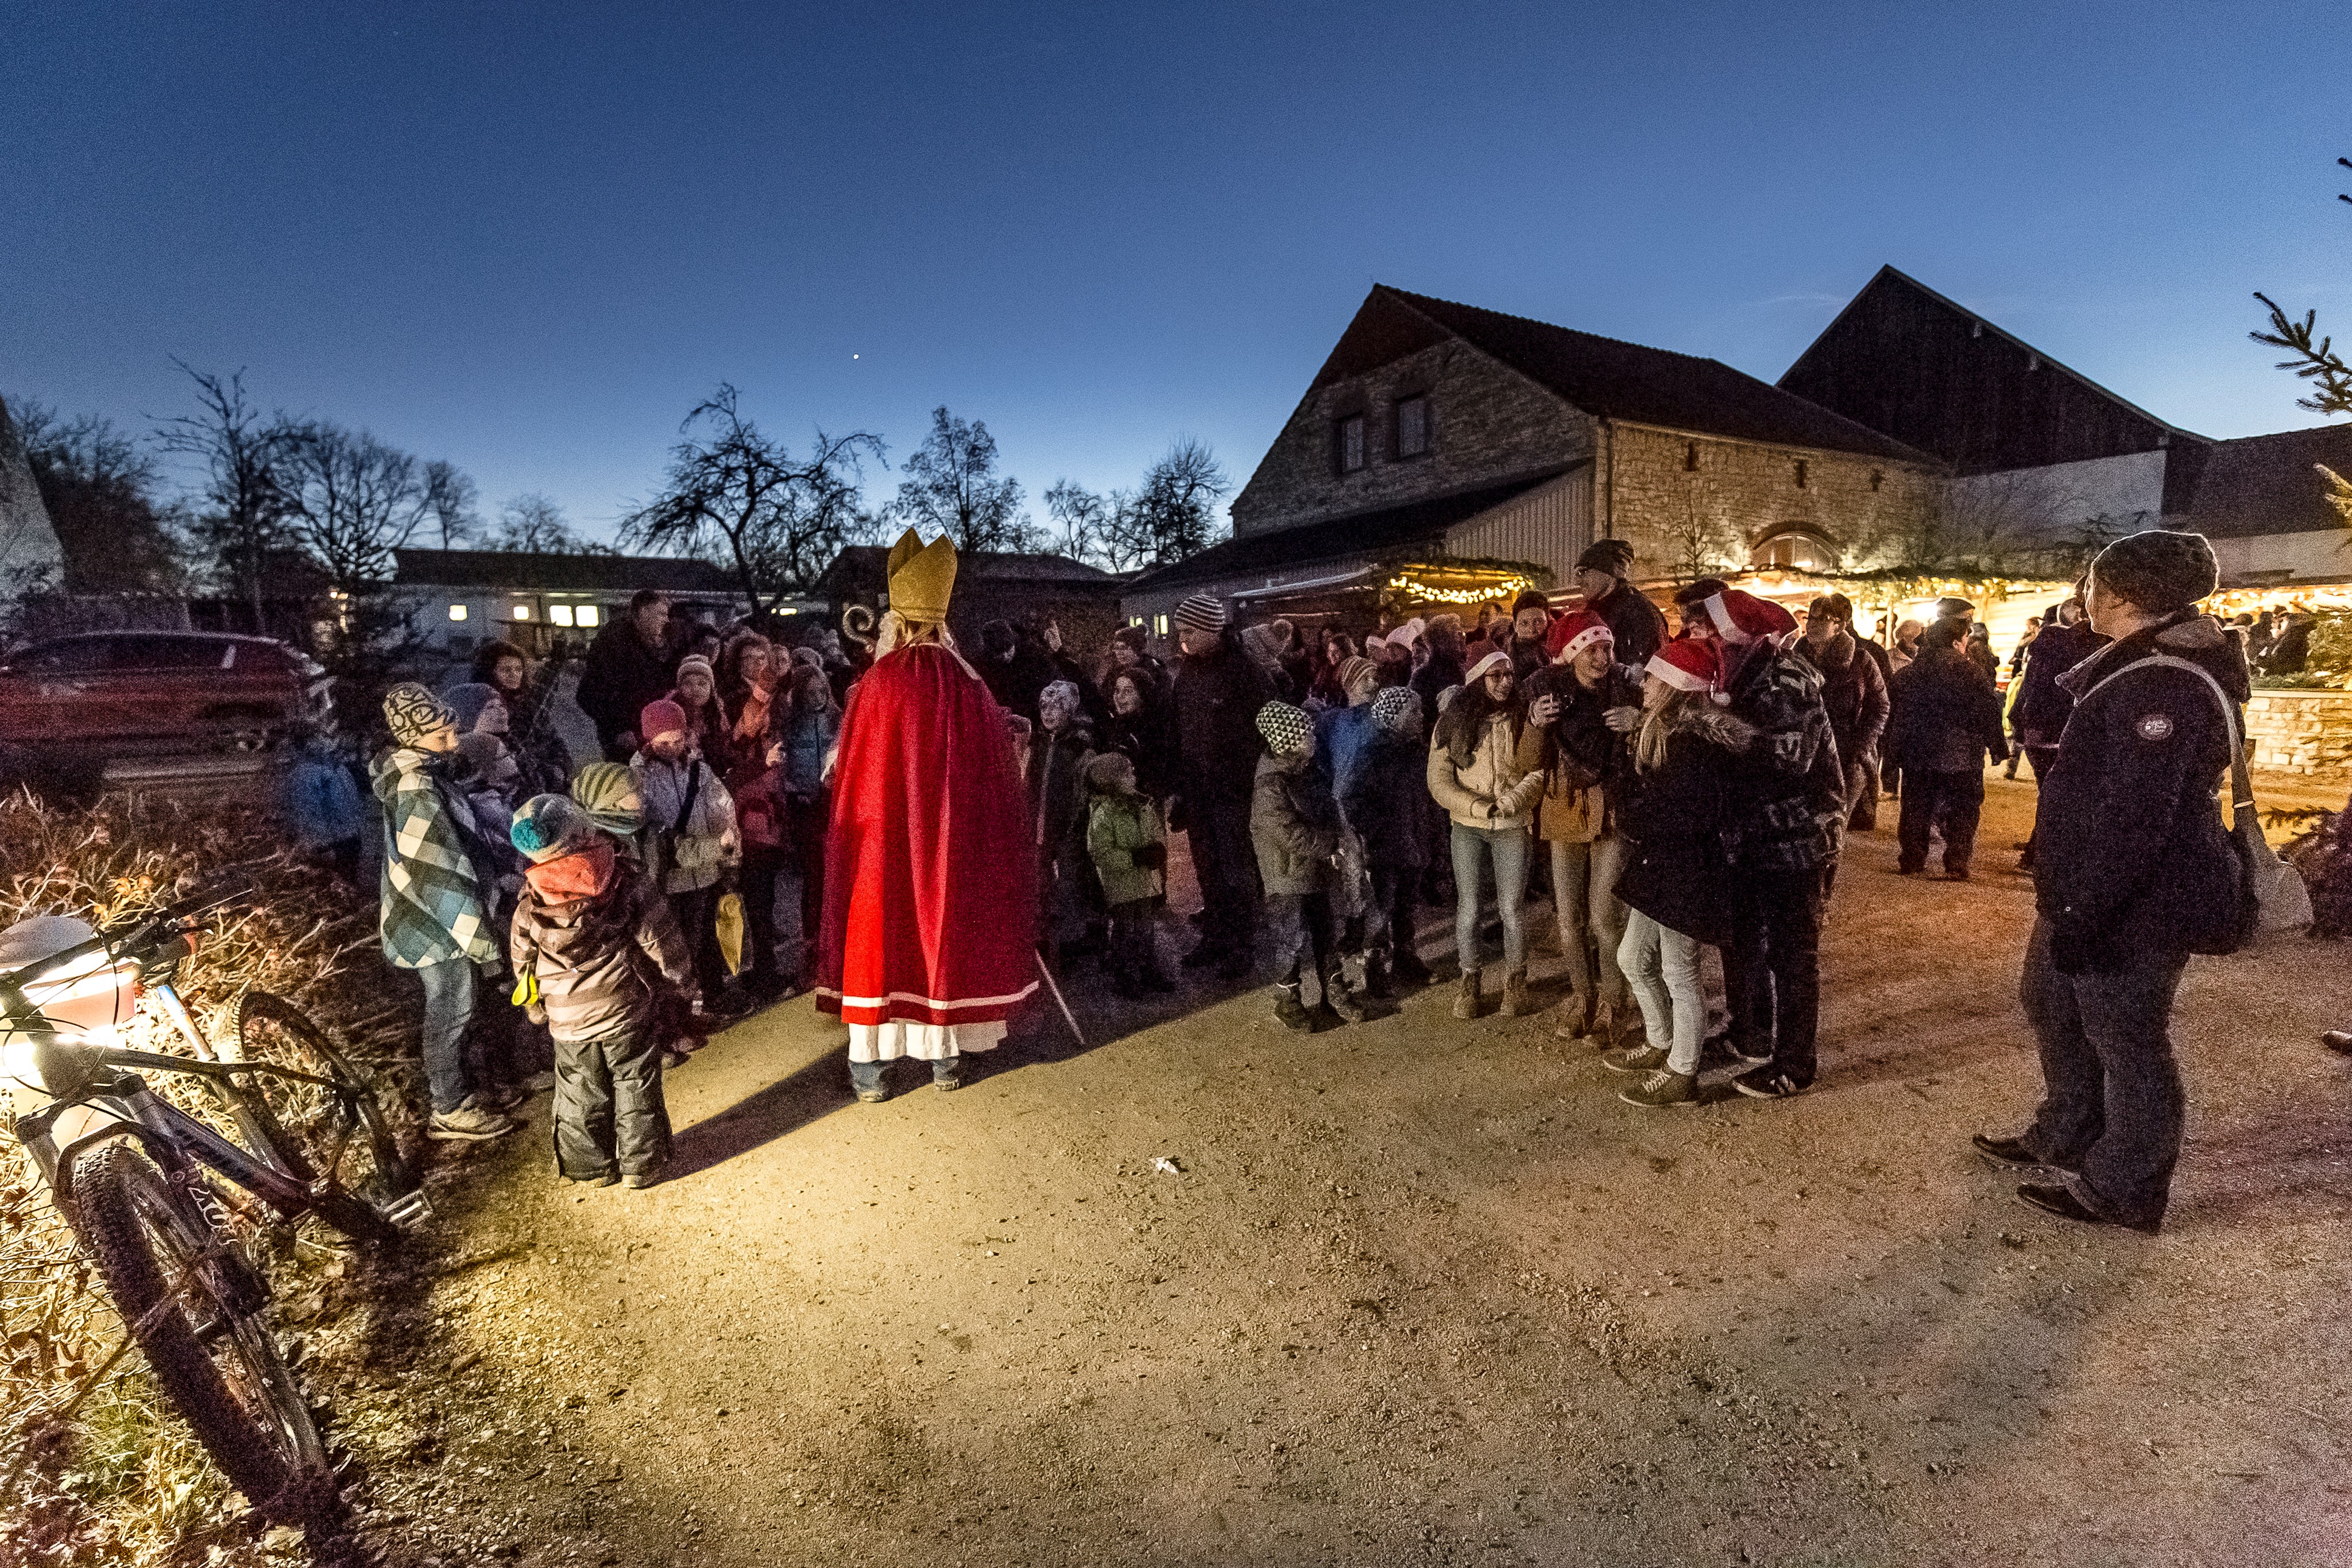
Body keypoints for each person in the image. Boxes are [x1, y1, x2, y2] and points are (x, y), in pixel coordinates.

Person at [1975, 530, 2245, 1233]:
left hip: (2135, 900)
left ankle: (2125, 1183)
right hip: (2085, 890)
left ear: (2122, 595)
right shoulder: (2138, 665)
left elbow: (2136, 816)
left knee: (2127, 1034)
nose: (2082, 595)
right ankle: (2068, 1129)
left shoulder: (2164, 680)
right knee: (2050, 999)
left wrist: (2085, 909)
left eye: (2091, 583)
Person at [815, 531, 1037, 1100]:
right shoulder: (970, 684)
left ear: (899, 622)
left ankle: (871, 1068)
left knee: (881, 932)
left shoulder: (878, 684)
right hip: (949, 842)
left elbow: (857, 775)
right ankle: (945, 1058)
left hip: (884, 843)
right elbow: (996, 777)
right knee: (942, 931)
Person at [1676, 582, 1844, 1099]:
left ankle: (1794, 1063)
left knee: (1793, 953)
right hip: (1752, 836)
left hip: (1797, 836)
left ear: (1737, 631)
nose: (1696, 633)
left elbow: (1791, 756)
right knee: (1748, 939)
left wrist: (1713, 728)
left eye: (1704, 625)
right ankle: (1751, 1031)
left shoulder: (1790, 679)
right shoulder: (1738, 670)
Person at [508, 796, 696, 1190]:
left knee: (579, 1092)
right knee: (635, 1082)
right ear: (582, 830)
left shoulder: (530, 903)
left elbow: (522, 962)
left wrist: (536, 1007)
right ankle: (641, 1166)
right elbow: (660, 936)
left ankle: (592, 1168)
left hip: (567, 1020)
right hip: (624, 1008)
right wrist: (680, 978)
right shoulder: (624, 879)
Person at [1605, 638, 1748, 1108]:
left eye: (1651, 677)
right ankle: (1661, 1039)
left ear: (1673, 685)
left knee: (1679, 972)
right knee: (1632, 958)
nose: (1642, 684)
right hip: (1660, 870)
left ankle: (1683, 1071)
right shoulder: (1662, 733)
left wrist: (1635, 815)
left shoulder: (1693, 745)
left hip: (1684, 873)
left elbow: (1689, 816)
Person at [372, 683, 516, 1143]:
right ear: (414, 737)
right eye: (442, 737)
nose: (454, 743)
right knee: (451, 1010)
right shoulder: (416, 787)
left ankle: (469, 1090)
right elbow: (438, 874)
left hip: (436, 920)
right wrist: (479, 938)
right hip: (433, 923)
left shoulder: (426, 772)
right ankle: (449, 1106)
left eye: (453, 731)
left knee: (460, 1006)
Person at [1519, 610, 1645, 1046]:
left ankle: (1615, 1002)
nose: (1601, 657)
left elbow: (1654, 749)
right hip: (1564, 810)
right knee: (1569, 918)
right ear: (1571, 654)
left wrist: (1640, 721)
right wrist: (1535, 725)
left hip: (1611, 812)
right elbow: (1526, 764)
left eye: (1607, 647)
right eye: (1591, 649)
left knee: (1605, 918)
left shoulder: (1628, 693)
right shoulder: (1547, 695)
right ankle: (1582, 997)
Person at [1427, 651, 1545, 1020]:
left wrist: (1510, 802)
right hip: (1468, 825)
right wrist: (1478, 807)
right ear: (1478, 679)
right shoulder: (1454, 721)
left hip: (1512, 823)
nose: (1505, 682)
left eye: (1509, 674)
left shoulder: (1524, 717)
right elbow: (1439, 778)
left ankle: (1516, 978)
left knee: (1511, 908)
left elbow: (1537, 769)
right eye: (1495, 676)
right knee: (1470, 908)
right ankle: (1471, 978)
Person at [1170, 594, 1274, 978]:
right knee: (1208, 869)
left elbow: (1267, 729)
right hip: (1199, 791)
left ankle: (1240, 944)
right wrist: (1180, 785)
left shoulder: (1244, 672)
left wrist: (1251, 778)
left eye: (1189, 632)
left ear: (1212, 628)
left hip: (1234, 792)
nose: (1183, 640)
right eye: (1180, 632)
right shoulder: (1189, 673)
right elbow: (1178, 728)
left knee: (1237, 870)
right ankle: (1215, 936)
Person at [1251, 701, 1364, 1028]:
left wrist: (1339, 836)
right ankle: (1288, 999)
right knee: (1290, 938)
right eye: (1306, 732)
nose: (1313, 735)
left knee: (1326, 932)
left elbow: (1327, 806)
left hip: (1317, 868)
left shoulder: (1307, 770)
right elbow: (1288, 833)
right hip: (1286, 874)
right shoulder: (1271, 785)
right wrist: (1329, 845)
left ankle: (1334, 991)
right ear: (1287, 741)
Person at [630, 698, 744, 1014]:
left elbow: (724, 813)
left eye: (678, 739)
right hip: (669, 876)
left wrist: (730, 858)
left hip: (705, 869)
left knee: (708, 939)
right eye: (663, 741)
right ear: (649, 740)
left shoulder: (700, 770)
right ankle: (681, 1010)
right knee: (675, 947)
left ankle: (714, 997)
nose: (671, 746)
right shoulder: (638, 776)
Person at [1883, 621, 2010, 879]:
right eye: (1965, 639)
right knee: (1963, 809)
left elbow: (1895, 718)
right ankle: (1957, 862)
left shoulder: (1909, 675)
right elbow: (1988, 713)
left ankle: (1912, 858)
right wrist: (1997, 746)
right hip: (1963, 755)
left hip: (1918, 754)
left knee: (1916, 807)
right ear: (1955, 643)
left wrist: (1893, 754)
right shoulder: (1972, 674)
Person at [1342, 686, 1438, 993]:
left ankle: (1405, 958)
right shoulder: (1371, 754)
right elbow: (1350, 797)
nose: (1421, 716)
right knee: (1380, 908)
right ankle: (1374, 968)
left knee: (1405, 906)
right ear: (1394, 717)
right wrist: (1376, 830)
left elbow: (1427, 798)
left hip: (1412, 841)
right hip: (1384, 848)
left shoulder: (1417, 752)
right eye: (1414, 711)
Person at [1794, 595, 1890, 847]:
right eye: (1809, 618)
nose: (1811, 625)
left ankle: (1825, 876)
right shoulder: (1793, 658)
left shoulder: (1860, 661)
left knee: (1833, 827)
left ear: (1840, 625)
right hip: (1803, 753)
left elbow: (1880, 706)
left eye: (1820, 619)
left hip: (1846, 753)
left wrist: (1862, 747)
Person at [1083, 752, 1172, 997]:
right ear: (1111, 781)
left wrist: (1158, 847)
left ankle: (1148, 969)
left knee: (1145, 929)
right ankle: (1125, 975)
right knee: (1125, 931)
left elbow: (1156, 831)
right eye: (1127, 774)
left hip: (1144, 882)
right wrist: (1134, 858)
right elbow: (1101, 853)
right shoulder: (1103, 814)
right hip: (1122, 886)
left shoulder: (1143, 804)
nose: (1133, 777)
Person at [1027, 679, 1100, 959]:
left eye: (1056, 707)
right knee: (1041, 882)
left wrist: (1076, 824)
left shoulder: (1078, 746)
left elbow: (1080, 790)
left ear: (1069, 711)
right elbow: (1032, 780)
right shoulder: (1041, 742)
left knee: (1072, 883)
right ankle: (1042, 934)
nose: (1048, 713)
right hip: (1040, 826)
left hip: (1068, 827)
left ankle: (1075, 938)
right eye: (1044, 707)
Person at [778, 663, 841, 981]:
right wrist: (794, 791)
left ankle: (835, 943)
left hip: (833, 804)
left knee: (836, 876)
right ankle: (811, 945)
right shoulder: (790, 724)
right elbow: (783, 764)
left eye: (821, 690)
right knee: (814, 877)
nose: (817, 696)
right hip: (804, 805)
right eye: (810, 691)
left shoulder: (837, 719)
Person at [575, 590, 678, 761]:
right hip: (626, 742)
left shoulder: (661, 647)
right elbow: (588, 694)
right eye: (661, 614)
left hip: (657, 736)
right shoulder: (613, 644)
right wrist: (618, 730)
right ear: (644, 612)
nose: (666, 620)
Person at [280, 718, 366, 882]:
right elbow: (307, 811)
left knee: (349, 884)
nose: (331, 741)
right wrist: (320, 845)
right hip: (331, 844)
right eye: (323, 736)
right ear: (307, 744)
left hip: (349, 837)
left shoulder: (336, 767)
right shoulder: (306, 773)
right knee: (335, 887)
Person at [1562, 539, 1668, 671]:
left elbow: (1642, 671)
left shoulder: (1638, 611)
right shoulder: (1597, 609)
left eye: (1583, 572)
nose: (1578, 582)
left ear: (1607, 571)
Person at [1099, 668, 1178, 802]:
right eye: (1117, 690)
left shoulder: (1154, 731)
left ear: (1143, 694)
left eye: (1128, 691)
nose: (1119, 696)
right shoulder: (1118, 725)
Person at [1498, 590, 1554, 682]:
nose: (1532, 630)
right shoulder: (1504, 659)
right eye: (1524, 623)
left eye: (1538, 622)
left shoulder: (1562, 648)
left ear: (1547, 622)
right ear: (1515, 626)